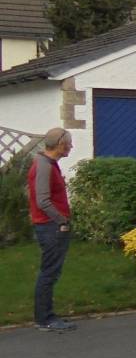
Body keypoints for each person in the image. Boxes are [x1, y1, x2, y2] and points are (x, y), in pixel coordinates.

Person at [28, 128, 77, 332]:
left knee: (50, 272)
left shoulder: (48, 163)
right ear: (60, 144)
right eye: (69, 143)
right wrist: (61, 220)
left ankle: (45, 316)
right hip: (51, 227)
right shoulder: (44, 166)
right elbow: (42, 201)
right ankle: (45, 319)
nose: (71, 146)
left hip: (51, 226)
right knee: (49, 273)